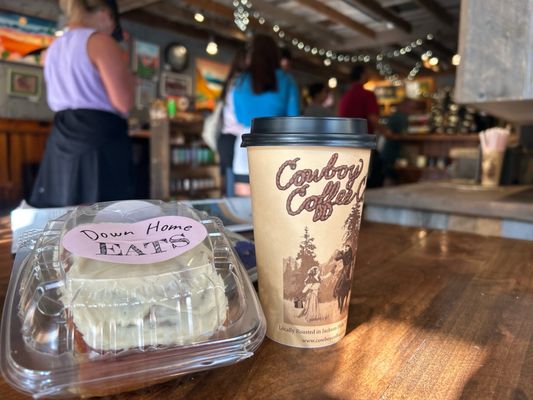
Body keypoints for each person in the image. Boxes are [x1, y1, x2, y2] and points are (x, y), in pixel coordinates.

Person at [29, 0, 134, 207]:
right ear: (105, 14)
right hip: (99, 136)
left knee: (62, 211)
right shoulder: (101, 42)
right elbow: (124, 103)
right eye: (113, 21)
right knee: (105, 219)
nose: (113, 28)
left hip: (61, 135)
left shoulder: (53, 48)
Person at [232, 35, 300, 196]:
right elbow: (294, 119)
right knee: (275, 208)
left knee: (245, 211)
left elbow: (240, 117)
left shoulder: (240, 81)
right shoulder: (286, 80)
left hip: (246, 143)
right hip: (277, 146)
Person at [338, 65, 383, 187]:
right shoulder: (367, 94)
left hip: (345, 143)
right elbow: (373, 119)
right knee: (364, 179)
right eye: (367, 72)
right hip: (363, 142)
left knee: (349, 179)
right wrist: (387, 132)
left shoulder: (345, 96)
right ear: (362, 75)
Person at [216, 47, 247, 197]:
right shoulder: (240, 82)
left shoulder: (233, 80)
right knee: (232, 189)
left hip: (228, 139)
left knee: (229, 187)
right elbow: (241, 116)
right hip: (234, 138)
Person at [333, 244, 354, 314]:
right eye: (345, 247)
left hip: (347, 269)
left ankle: (338, 291)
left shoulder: (348, 254)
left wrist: (342, 252)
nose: (345, 248)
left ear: (348, 248)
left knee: (342, 279)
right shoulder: (344, 253)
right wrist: (340, 252)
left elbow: (348, 260)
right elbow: (336, 258)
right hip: (345, 269)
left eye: (347, 247)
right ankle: (336, 292)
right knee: (339, 280)